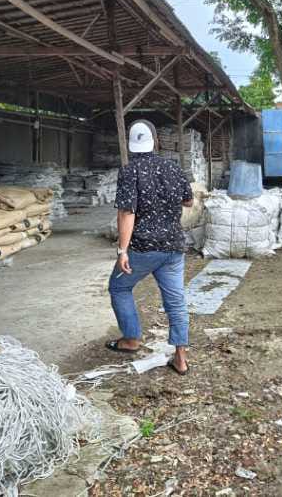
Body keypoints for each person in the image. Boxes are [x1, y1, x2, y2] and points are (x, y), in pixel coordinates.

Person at [106, 119, 193, 375]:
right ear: (155, 141)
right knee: (176, 301)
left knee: (119, 286)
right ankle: (180, 358)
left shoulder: (129, 170)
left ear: (131, 145)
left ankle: (131, 339)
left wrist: (123, 250)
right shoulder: (173, 167)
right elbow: (188, 201)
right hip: (173, 247)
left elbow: (126, 213)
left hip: (143, 249)